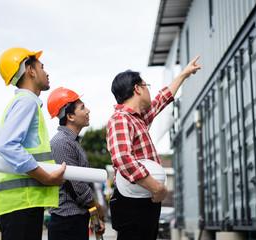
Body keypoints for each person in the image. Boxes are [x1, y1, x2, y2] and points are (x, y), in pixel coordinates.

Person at [106, 56, 201, 240]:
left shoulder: (137, 119)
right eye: (146, 86)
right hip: (132, 202)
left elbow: (161, 99)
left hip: (141, 199)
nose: (150, 91)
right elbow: (123, 159)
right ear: (137, 89)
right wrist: (157, 188)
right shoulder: (121, 119)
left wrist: (184, 74)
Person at [0, 47, 66, 240]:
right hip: (22, 205)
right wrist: (45, 177)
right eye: (42, 67)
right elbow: (6, 145)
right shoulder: (26, 102)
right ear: (30, 70)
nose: (47, 72)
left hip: (20, 205)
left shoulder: (22, 102)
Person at [47, 87, 105, 240]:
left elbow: (81, 189)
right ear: (70, 116)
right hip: (66, 223)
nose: (88, 111)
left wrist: (94, 218)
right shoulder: (61, 142)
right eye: (82, 107)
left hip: (74, 221)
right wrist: (97, 207)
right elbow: (76, 186)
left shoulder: (72, 142)